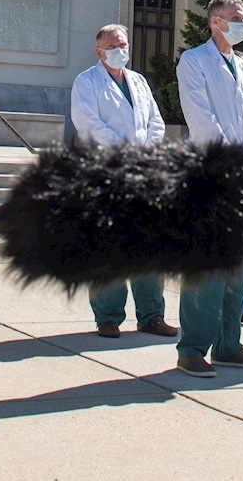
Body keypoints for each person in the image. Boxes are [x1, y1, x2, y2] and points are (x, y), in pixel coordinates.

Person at [172, 0, 243, 377]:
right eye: (235, 17)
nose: (241, 22)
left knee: (238, 268)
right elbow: (202, 120)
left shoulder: (242, 67)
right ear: (215, 21)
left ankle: (228, 345)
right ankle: (192, 349)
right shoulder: (194, 61)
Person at [70, 23, 178, 339]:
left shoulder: (139, 82)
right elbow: (89, 124)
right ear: (99, 51)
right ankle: (107, 316)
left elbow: (155, 122)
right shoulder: (86, 82)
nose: (121, 50)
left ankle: (151, 316)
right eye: (114, 45)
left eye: (124, 44)